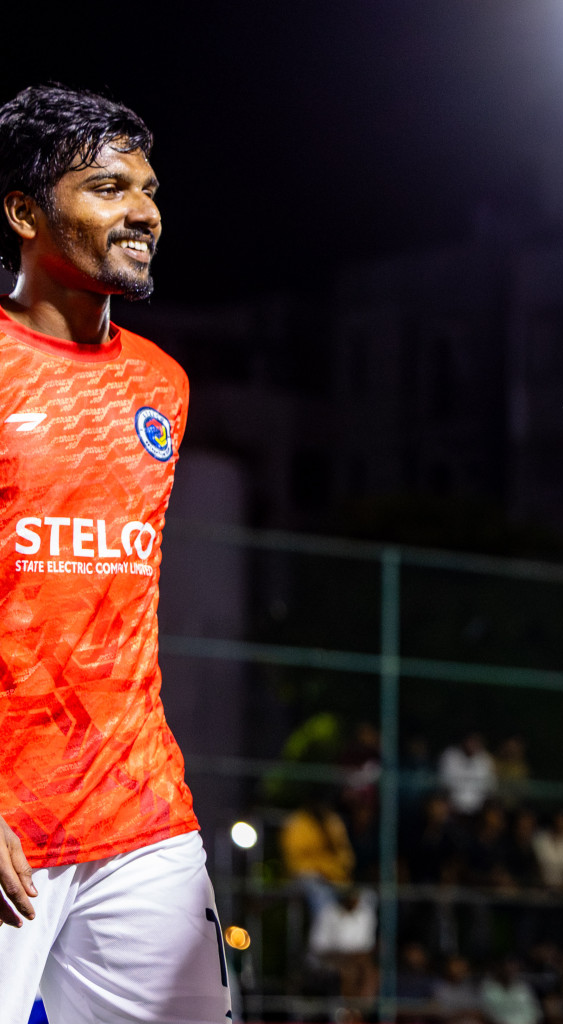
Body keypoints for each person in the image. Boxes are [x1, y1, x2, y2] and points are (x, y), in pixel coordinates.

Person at [0, 84, 232, 1023]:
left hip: (143, 820)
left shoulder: (161, 385)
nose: (143, 213)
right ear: (23, 212)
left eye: (147, 189)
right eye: (106, 188)